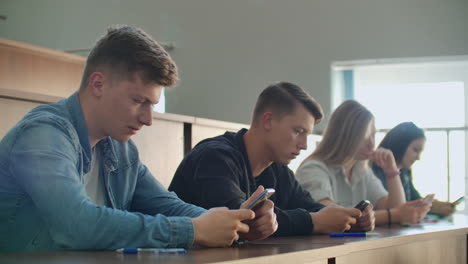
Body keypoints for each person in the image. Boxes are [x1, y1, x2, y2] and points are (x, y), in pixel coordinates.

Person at [0, 25, 275, 253]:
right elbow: (76, 225)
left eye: (152, 105)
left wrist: (233, 221)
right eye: (137, 101)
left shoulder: (121, 148)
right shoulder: (44, 134)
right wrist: (194, 230)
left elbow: (166, 204)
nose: (148, 119)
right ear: (98, 84)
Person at [169, 82, 370, 236]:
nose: (304, 145)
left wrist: (349, 217)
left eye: (307, 134)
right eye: (298, 131)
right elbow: (240, 217)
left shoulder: (277, 168)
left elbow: (310, 206)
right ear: (268, 120)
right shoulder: (215, 156)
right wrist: (313, 221)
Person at [296, 100, 431, 226]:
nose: (372, 144)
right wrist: (392, 216)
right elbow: (334, 217)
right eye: (365, 137)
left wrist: (392, 171)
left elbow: (395, 208)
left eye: (373, 136)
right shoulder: (313, 169)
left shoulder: (361, 169)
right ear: (346, 136)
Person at [373, 122, 456, 216]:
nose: (418, 158)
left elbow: (414, 199)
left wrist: (431, 206)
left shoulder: (404, 172)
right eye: (415, 150)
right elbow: (396, 209)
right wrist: (431, 207)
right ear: (400, 145)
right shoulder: (374, 173)